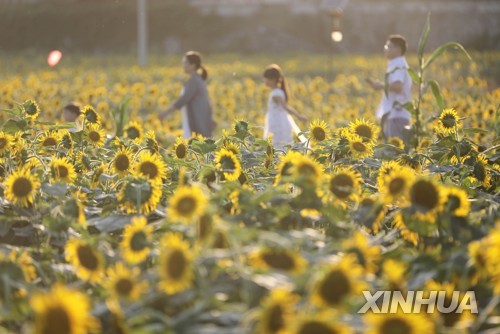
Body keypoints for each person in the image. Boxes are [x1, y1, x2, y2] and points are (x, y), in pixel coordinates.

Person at [159, 51, 215, 138]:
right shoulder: (197, 79)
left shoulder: (194, 81)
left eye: (185, 63)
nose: (183, 65)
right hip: (199, 119)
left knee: (195, 144)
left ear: (193, 65)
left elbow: (182, 100)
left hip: (197, 121)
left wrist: (165, 113)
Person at [367, 34, 412, 140]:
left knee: (395, 149)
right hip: (395, 114)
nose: (386, 49)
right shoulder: (397, 63)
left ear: (398, 49)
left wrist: (380, 85)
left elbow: (398, 86)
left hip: (397, 114)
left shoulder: (398, 64)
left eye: (389, 46)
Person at [263, 64, 307, 150]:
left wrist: (299, 116)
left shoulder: (276, 94)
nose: (264, 80)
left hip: (277, 121)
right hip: (277, 119)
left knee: (277, 142)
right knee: (279, 141)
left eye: (266, 78)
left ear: (273, 79)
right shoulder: (277, 92)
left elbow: (285, 108)